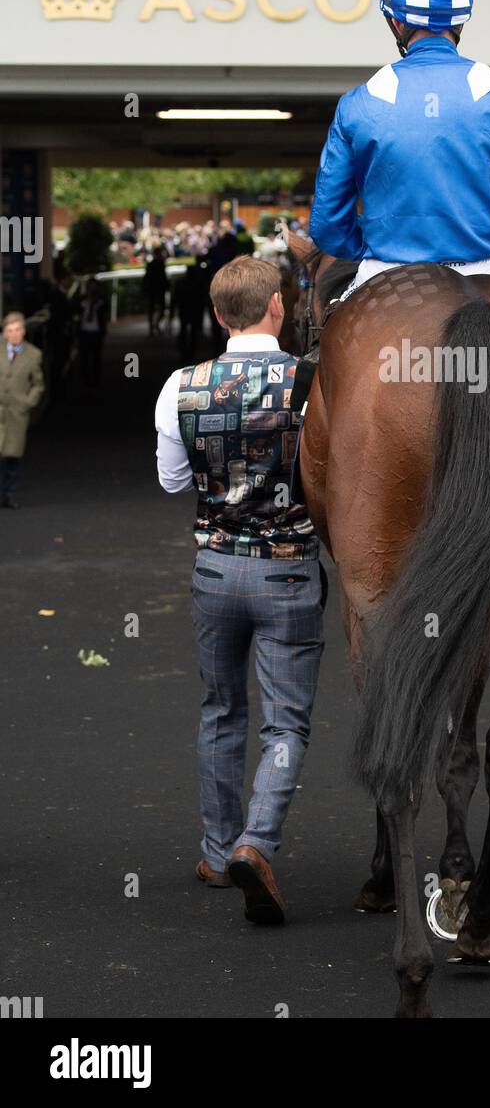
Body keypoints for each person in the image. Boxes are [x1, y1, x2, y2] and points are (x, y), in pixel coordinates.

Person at [154, 256, 325, 926]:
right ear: (277, 307)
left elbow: (172, 482)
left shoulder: (181, 385)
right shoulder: (312, 382)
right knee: (285, 719)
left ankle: (220, 848)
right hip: (289, 567)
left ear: (220, 314)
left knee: (219, 709)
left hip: (216, 568)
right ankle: (258, 840)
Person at [309, 0, 490, 295]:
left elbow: (329, 224)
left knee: (323, 342)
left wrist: (368, 253)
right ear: (461, 21)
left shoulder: (359, 103)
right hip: (488, 274)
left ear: (396, 23)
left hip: (387, 277)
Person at [0, 310, 45, 509]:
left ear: (24, 331)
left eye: (18, 329)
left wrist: (28, 402)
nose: (14, 334)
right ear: (4, 332)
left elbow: (38, 383)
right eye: (10, 330)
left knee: (12, 456)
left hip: (17, 412)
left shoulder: (33, 354)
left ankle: (9, 494)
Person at [76, 277, 108, 387]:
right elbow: (76, 312)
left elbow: (104, 314)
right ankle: (84, 380)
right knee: (84, 358)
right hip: (84, 332)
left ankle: (96, 380)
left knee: (96, 357)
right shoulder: (82, 300)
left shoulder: (101, 301)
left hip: (96, 332)